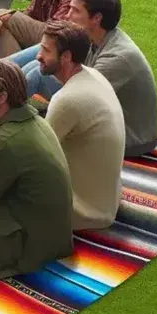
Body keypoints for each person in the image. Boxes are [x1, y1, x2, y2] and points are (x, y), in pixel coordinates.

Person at [0, 60, 74, 279]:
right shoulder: (36, 121)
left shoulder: (2, 141)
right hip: (52, 240)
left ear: (2, 98)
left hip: (23, 252)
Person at [22, 0, 157, 156]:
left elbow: (83, 99)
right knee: (40, 62)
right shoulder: (97, 39)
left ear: (96, 18)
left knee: (39, 72)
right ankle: (0, 99)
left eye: (75, 10)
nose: (67, 15)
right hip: (106, 117)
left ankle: (2, 115)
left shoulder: (116, 58)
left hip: (131, 138)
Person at [35, 22, 126, 230]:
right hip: (105, 200)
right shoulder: (94, 75)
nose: (38, 55)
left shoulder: (66, 100)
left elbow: (35, 158)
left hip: (84, 212)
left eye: (46, 50)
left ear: (66, 56)